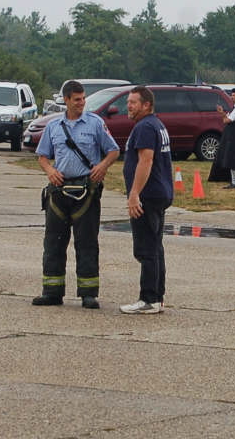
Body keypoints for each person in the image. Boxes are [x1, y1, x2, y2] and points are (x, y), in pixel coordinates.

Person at [32, 80, 120, 309]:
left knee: (87, 243)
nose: (82, 103)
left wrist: (102, 167)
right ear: (67, 100)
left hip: (86, 193)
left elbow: (113, 150)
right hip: (59, 193)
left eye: (83, 99)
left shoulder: (95, 123)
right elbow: (42, 155)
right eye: (77, 99)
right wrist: (50, 170)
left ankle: (88, 293)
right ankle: (52, 292)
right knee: (53, 243)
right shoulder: (53, 126)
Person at [119, 86, 173, 314]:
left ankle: (149, 298)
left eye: (133, 102)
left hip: (148, 196)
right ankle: (156, 297)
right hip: (158, 193)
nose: (128, 106)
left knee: (147, 248)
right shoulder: (156, 125)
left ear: (146, 105)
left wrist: (134, 194)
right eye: (128, 102)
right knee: (155, 246)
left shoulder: (146, 127)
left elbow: (146, 161)